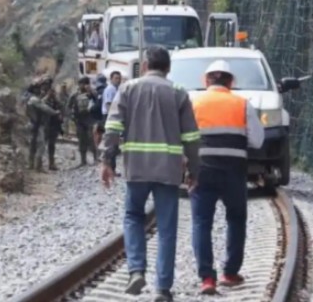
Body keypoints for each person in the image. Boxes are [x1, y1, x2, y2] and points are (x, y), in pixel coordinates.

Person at [100, 46, 201, 302]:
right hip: (168, 170)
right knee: (167, 228)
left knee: (133, 217)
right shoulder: (178, 92)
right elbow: (191, 137)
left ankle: (136, 270)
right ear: (168, 68)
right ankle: (162, 289)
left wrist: (107, 161)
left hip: (137, 168)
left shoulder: (128, 89)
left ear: (144, 66)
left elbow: (112, 128)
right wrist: (194, 170)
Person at [189, 59, 264, 295]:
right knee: (236, 218)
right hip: (234, 171)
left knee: (201, 222)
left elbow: (183, 138)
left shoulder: (195, 103)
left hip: (202, 170)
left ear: (206, 81)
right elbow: (257, 140)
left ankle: (207, 279)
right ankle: (230, 273)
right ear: (231, 82)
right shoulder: (242, 104)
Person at [26, 77, 61, 172]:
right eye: (38, 88)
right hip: (37, 125)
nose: (40, 89)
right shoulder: (35, 99)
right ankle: (38, 166)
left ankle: (31, 164)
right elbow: (45, 108)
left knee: (33, 145)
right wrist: (55, 112)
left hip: (33, 123)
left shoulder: (30, 98)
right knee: (41, 145)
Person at [67, 76, 97, 166]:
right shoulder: (75, 95)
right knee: (81, 139)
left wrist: (90, 92)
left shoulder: (92, 93)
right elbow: (68, 106)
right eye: (81, 84)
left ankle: (95, 158)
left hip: (89, 119)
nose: (82, 86)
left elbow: (97, 102)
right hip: (79, 120)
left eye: (84, 84)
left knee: (90, 139)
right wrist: (71, 116)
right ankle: (83, 160)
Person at [101, 70, 122, 174]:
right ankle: (110, 169)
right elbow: (108, 104)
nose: (118, 80)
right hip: (110, 118)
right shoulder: (111, 89)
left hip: (112, 118)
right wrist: (113, 117)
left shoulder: (116, 89)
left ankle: (111, 168)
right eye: (116, 78)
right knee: (111, 145)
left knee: (113, 145)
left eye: (119, 78)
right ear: (111, 79)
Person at [42, 77, 63, 171]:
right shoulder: (41, 94)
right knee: (41, 144)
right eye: (47, 84)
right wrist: (47, 96)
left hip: (53, 123)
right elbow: (40, 104)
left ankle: (51, 163)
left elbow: (60, 106)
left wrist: (54, 97)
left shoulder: (54, 96)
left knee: (52, 144)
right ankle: (39, 163)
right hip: (44, 123)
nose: (48, 86)